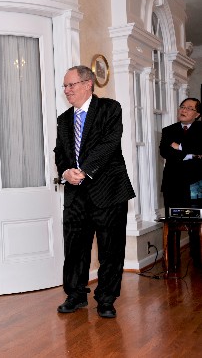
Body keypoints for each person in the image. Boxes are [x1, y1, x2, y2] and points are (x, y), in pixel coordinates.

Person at [54, 65, 135, 318]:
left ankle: (106, 300)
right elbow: (60, 153)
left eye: (71, 85)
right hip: (76, 194)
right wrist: (66, 172)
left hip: (108, 191)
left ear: (88, 84)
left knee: (111, 249)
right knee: (75, 249)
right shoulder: (63, 119)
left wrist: (84, 170)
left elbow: (110, 144)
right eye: (65, 86)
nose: (66, 90)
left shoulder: (110, 108)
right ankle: (76, 295)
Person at [160, 97, 202, 266]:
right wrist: (192, 155)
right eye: (182, 107)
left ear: (197, 114)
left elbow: (200, 149)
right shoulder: (168, 130)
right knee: (173, 222)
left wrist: (180, 148)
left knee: (196, 223)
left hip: (196, 183)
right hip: (173, 183)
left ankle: (198, 260)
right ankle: (173, 262)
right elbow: (165, 152)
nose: (183, 110)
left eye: (189, 108)